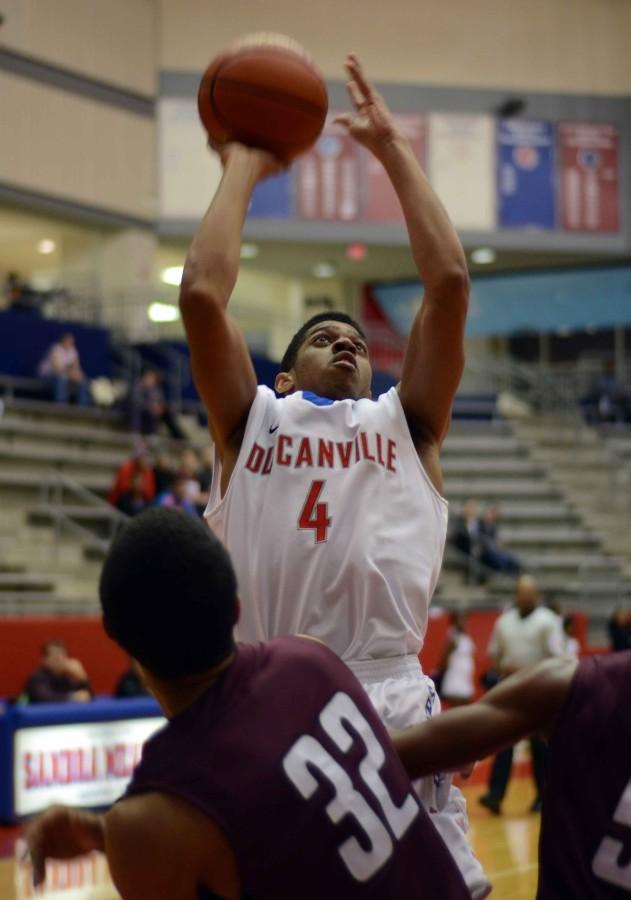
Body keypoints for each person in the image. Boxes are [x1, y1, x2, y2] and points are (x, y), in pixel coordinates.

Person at [180, 52, 487, 897]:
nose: (344, 339)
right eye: (321, 335)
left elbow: (450, 284)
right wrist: (245, 160)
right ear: (282, 376)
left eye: (353, 335)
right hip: (267, 699)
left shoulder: (406, 421)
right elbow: (203, 297)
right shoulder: (252, 422)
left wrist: (391, 148)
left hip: (389, 692)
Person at [25, 509, 470, 899]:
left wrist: (120, 838)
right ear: (236, 609)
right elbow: (283, 814)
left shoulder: (153, 816)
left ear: (116, 636)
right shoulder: (308, 661)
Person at [392, 650, 631, 899]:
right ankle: (497, 795)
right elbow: (417, 749)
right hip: (522, 691)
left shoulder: (576, 684)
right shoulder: (579, 687)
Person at [478, 575, 561, 815]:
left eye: (529, 592)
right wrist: (505, 668)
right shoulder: (504, 622)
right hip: (511, 686)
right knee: (504, 741)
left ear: (536, 595)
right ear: (516, 594)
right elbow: (495, 654)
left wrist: (534, 670)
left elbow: (558, 657)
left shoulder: (548, 621)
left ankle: (544, 796)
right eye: (520, 592)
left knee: (540, 746)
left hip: (540, 687)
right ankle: (495, 795)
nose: (524, 596)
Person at [23, 640, 92, 704]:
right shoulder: (37, 678)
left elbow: (88, 695)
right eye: (54, 655)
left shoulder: (65, 679)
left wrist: (82, 677)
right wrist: (72, 697)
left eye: (62, 654)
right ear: (44, 660)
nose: (59, 659)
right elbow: (44, 698)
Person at [129, 369, 185, 440]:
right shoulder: (138, 386)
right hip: (141, 409)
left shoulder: (155, 388)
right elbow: (136, 401)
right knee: (142, 412)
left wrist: (160, 406)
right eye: (149, 377)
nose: (151, 380)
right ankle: (143, 434)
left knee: (167, 414)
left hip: (154, 410)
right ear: (144, 377)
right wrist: (150, 407)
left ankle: (178, 436)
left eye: (152, 378)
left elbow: (160, 400)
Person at [37, 333, 90, 405]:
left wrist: (79, 375)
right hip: (46, 376)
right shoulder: (56, 349)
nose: (70, 343)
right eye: (68, 340)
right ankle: (61, 406)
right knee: (61, 378)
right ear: (63, 340)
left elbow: (76, 368)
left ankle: (83, 407)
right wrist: (71, 374)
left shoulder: (73, 351)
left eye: (71, 341)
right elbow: (56, 369)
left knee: (83, 380)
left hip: (65, 376)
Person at [438, 612, 476, 706]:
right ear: (454, 621)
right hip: (455, 678)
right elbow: (444, 659)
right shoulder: (453, 638)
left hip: (464, 677)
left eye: (465, 620)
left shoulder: (464, 636)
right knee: (458, 708)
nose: (464, 622)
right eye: (461, 620)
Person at [107, 441, 156, 508]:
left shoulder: (148, 471)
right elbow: (121, 489)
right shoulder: (125, 468)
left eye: (145, 456)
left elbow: (150, 492)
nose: (144, 459)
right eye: (141, 456)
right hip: (121, 503)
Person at [478, 505, 520, 575]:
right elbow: (480, 539)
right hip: (485, 552)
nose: (492, 516)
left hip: (494, 550)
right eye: (491, 513)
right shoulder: (479, 524)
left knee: (510, 557)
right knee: (499, 557)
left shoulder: (493, 527)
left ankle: (513, 573)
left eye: (494, 515)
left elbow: (495, 540)